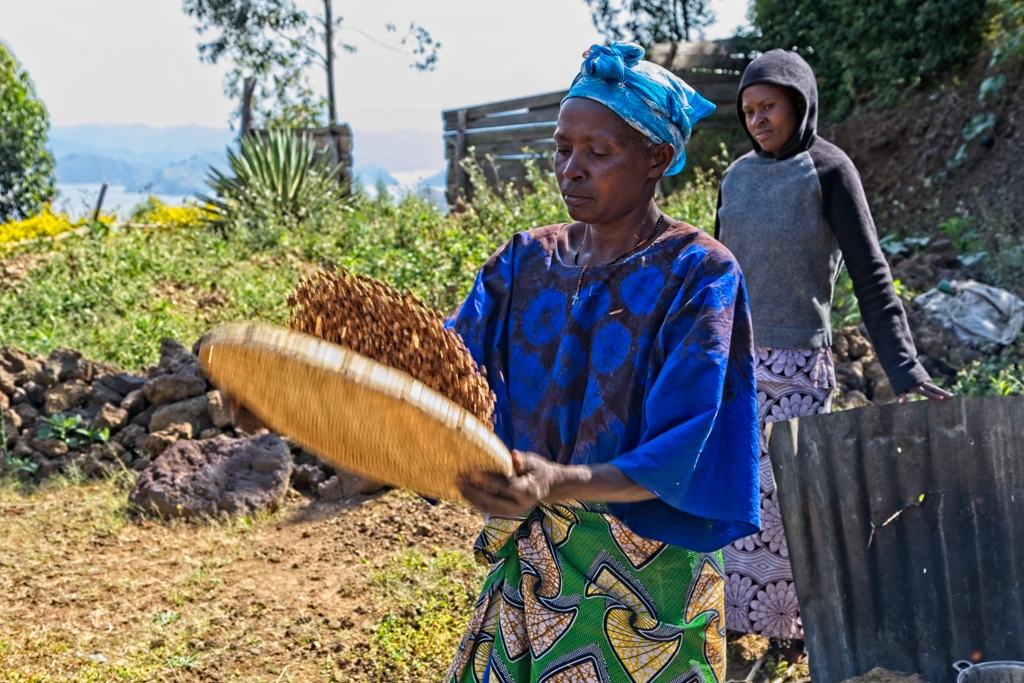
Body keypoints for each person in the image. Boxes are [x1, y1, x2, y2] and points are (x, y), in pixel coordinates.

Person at [446, 42, 761, 683]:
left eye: (598, 152)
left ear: (658, 159)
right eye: (562, 148)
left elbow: (682, 445)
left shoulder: (698, 274)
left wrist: (556, 481)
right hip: (533, 550)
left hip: (646, 569)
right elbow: (444, 370)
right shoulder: (522, 263)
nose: (571, 169)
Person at [714, 49, 952, 645]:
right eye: (748, 110)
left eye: (769, 106)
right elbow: (714, 275)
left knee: (786, 503)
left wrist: (903, 368)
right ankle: (731, 628)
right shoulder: (736, 177)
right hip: (736, 367)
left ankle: (793, 634)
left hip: (797, 367)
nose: (758, 120)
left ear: (800, 103)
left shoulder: (829, 170)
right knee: (734, 497)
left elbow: (871, 274)